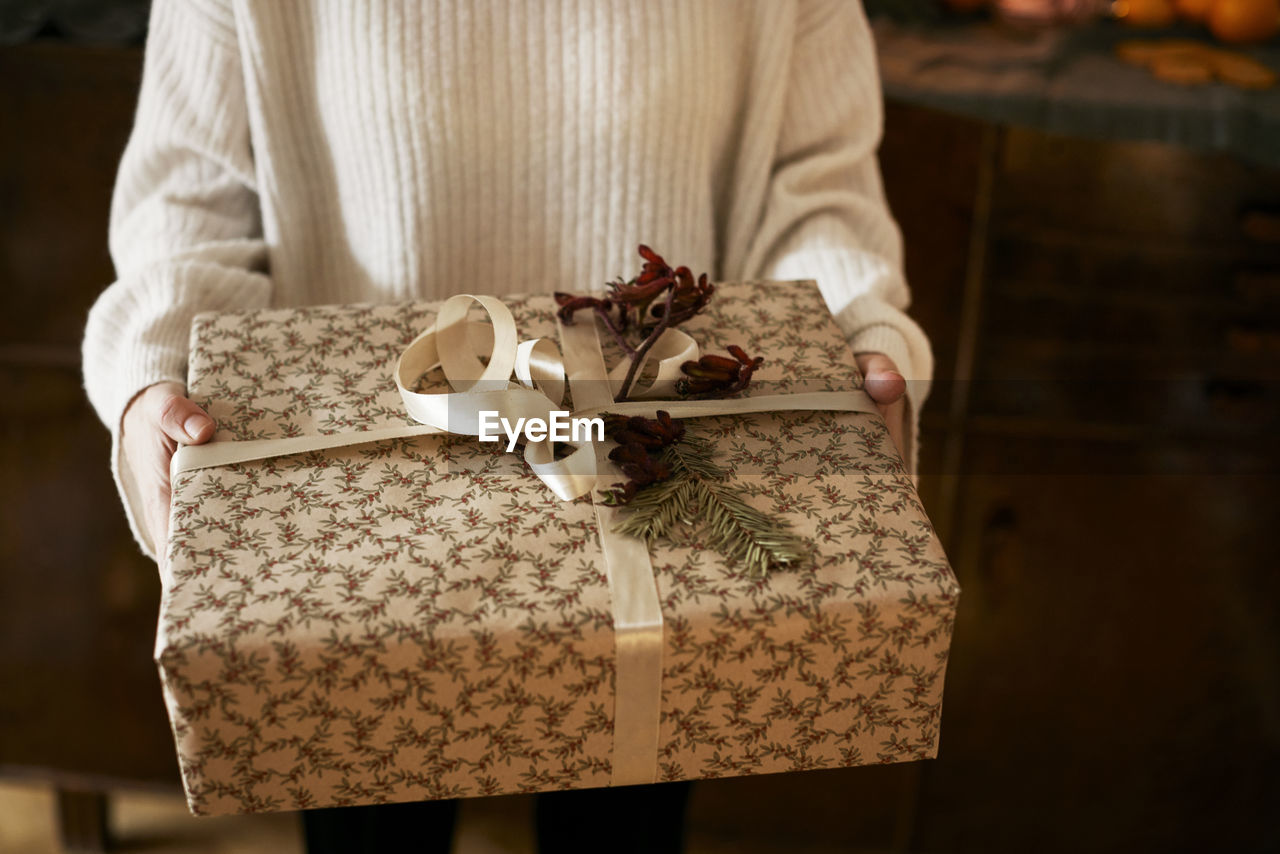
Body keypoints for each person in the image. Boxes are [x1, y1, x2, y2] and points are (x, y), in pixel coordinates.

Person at [83, 1, 933, 851]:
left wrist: (852, 333)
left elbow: (816, 187)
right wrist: (151, 372)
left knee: (624, 823)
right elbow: (188, 197)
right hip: (354, 540)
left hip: (668, 510)